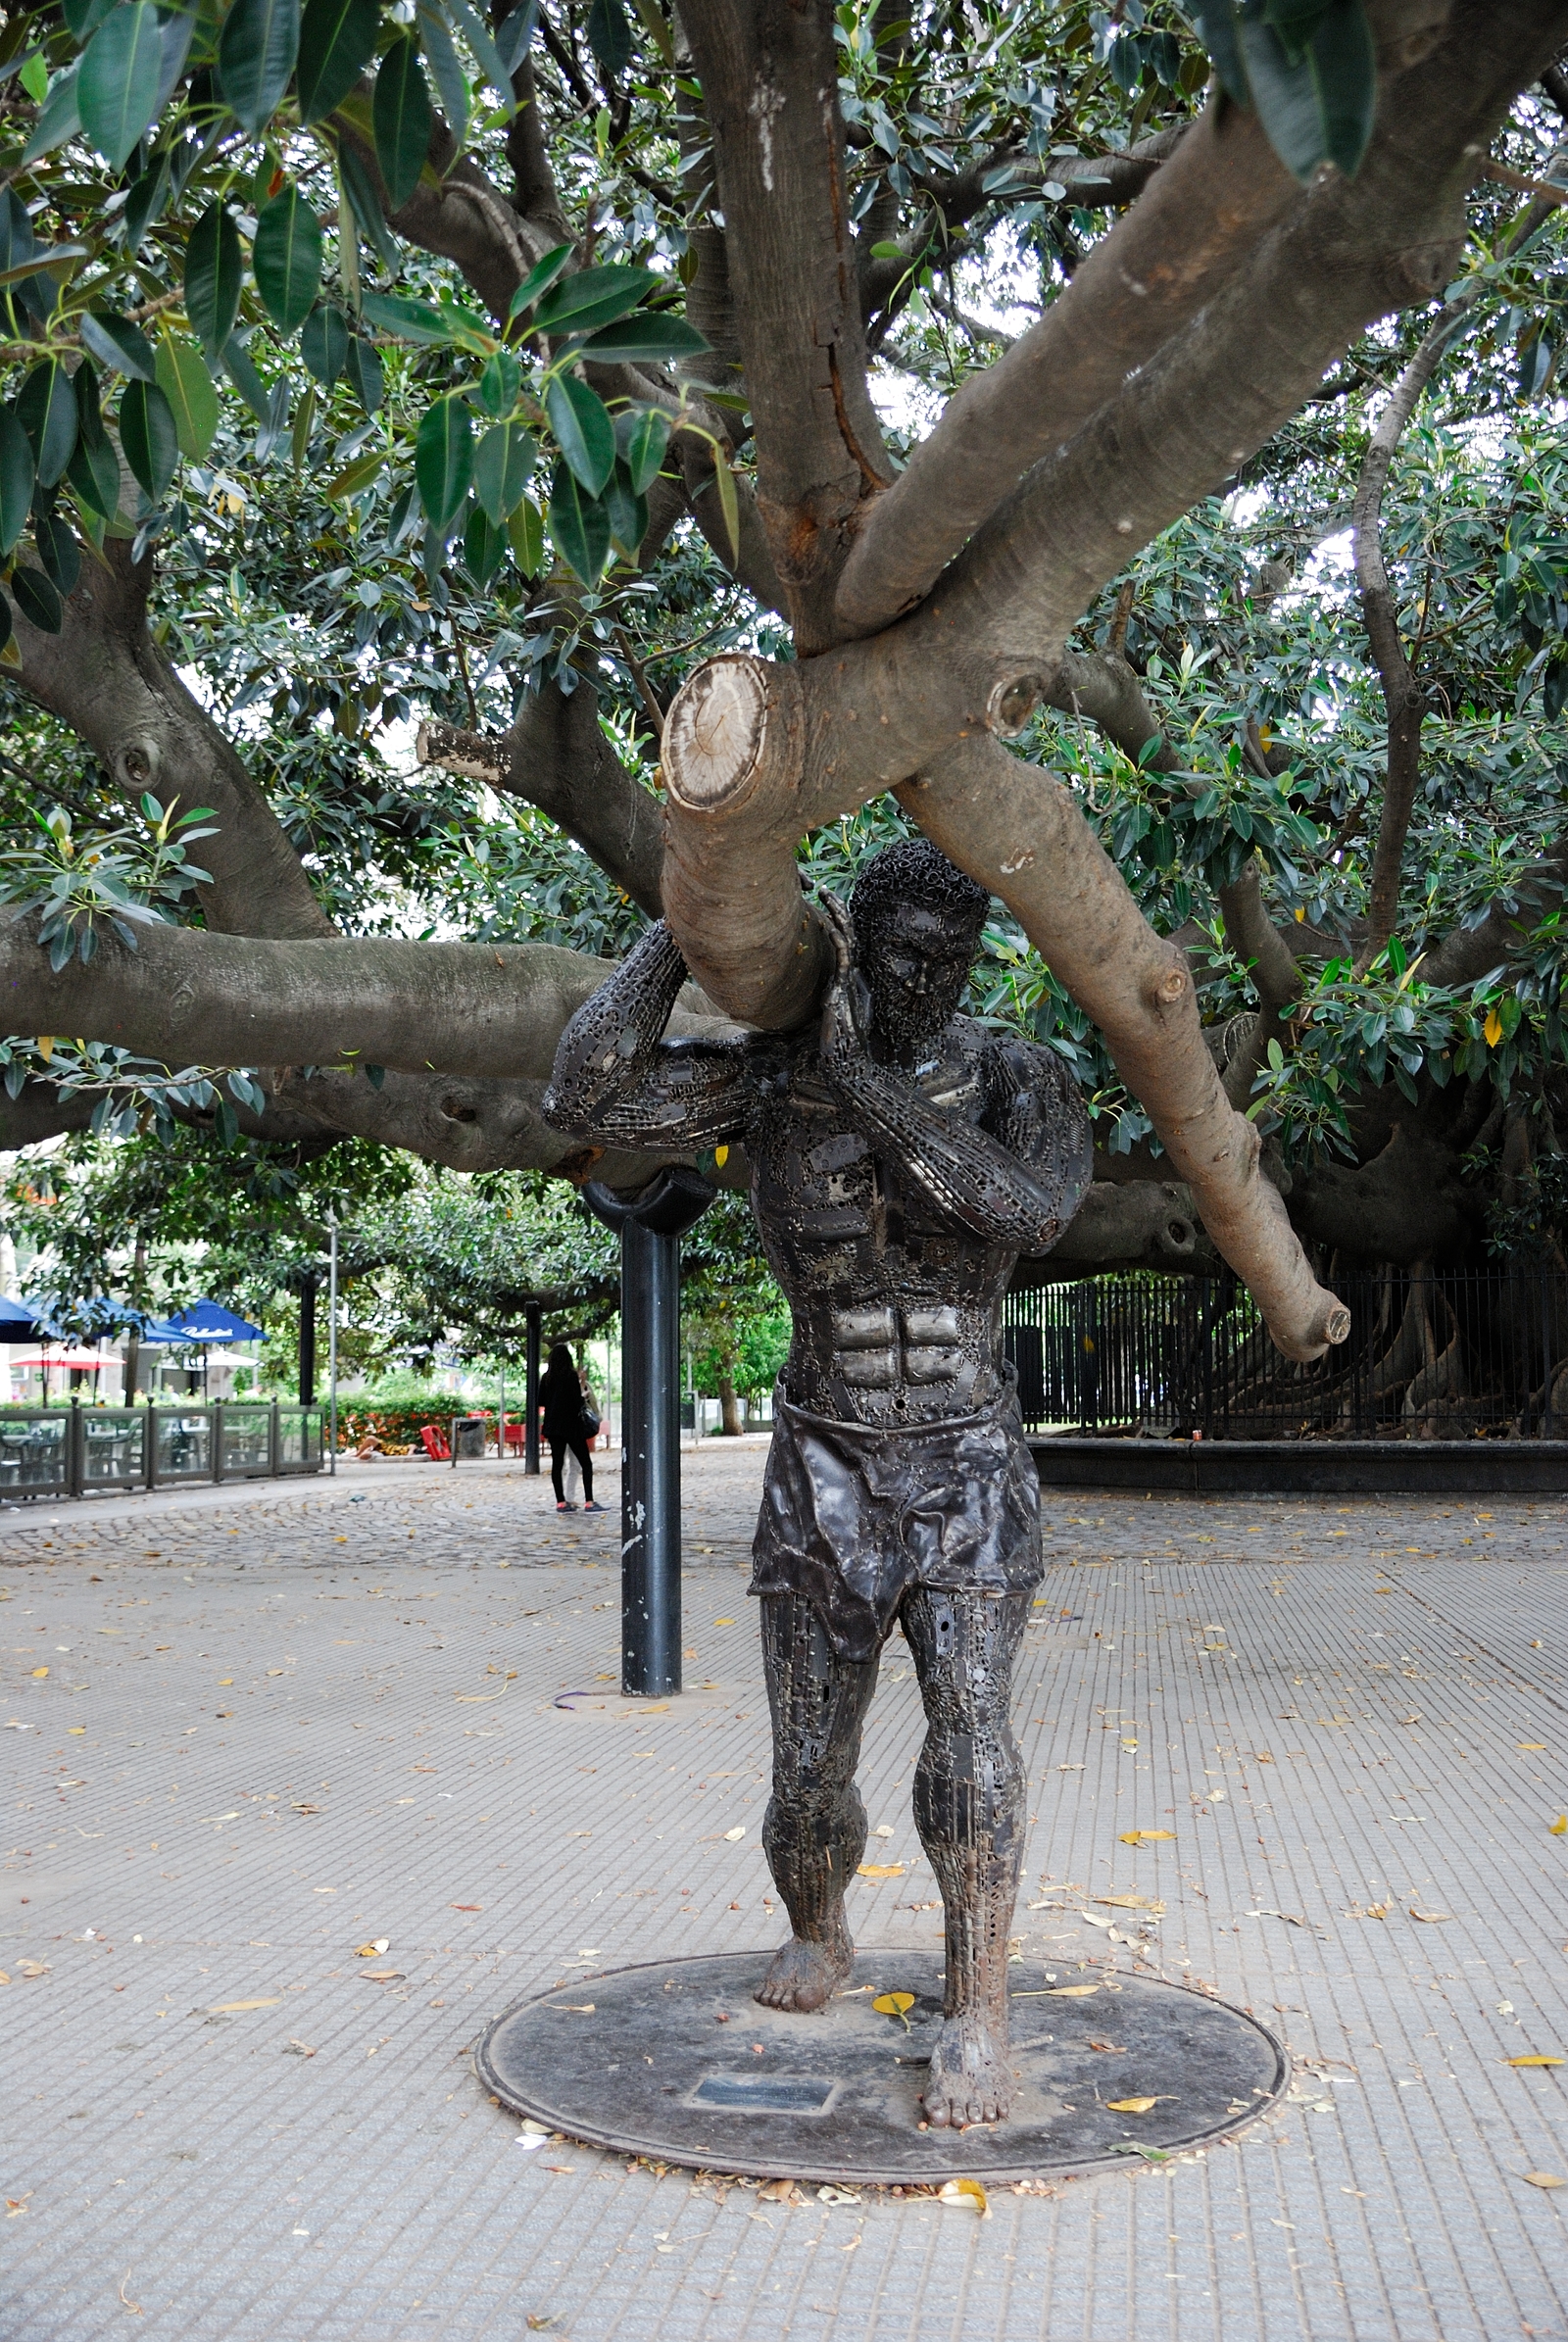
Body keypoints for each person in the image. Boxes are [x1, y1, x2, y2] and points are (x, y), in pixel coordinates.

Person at [544, 839, 1091, 2129]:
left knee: (971, 1737)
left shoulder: (1017, 1072)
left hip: (967, 1451)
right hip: (827, 1447)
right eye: (901, 957)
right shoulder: (770, 1080)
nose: (924, 983)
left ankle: (979, 2010)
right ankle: (821, 1926)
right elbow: (584, 1097)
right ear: (853, 941)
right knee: (809, 1767)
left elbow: (1024, 1210)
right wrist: (685, 921)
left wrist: (865, 1083)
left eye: (949, 961)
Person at [540, 1342, 602, 1513]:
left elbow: (541, 1401)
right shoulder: (570, 1376)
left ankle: (561, 1502)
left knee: (557, 1464)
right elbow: (577, 1402)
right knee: (585, 1463)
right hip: (572, 1427)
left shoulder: (546, 1377)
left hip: (553, 1427)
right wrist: (582, 1395)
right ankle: (589, 1501)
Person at [563, 1357, 599, 1504]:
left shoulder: (586, 1385)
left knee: (576, 1465)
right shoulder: (564, 1384)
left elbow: (592, 1405)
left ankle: (569, 1497)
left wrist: (583, 1387)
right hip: (566, 1428)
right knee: (562, 1464)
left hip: (576, 1428)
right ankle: (563, 1498)